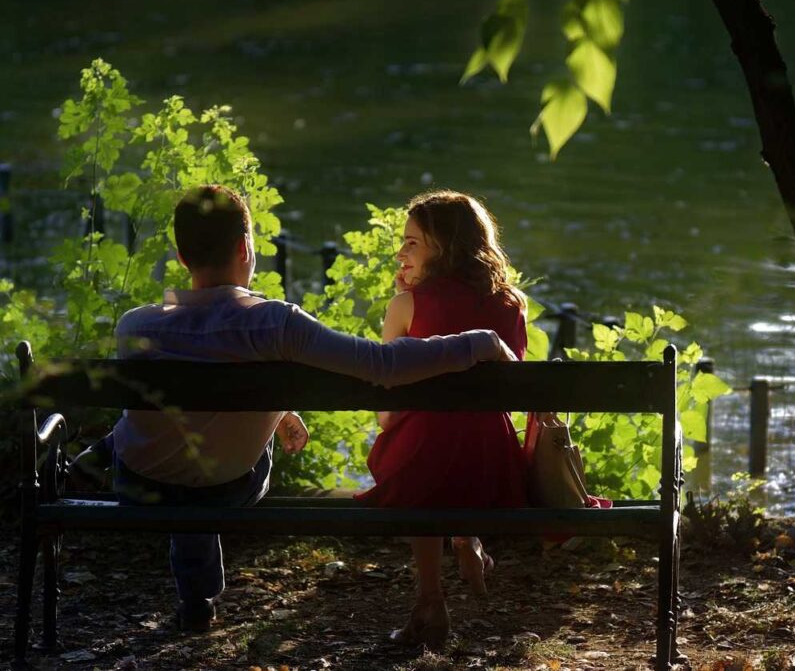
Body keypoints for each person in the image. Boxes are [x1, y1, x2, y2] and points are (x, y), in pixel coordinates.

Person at [78, 185, 516, 633]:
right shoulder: (275, 322)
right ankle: (191, 581)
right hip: (230, 484)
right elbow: (382, 365)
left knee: (176, 446)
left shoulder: (137, 324)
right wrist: (477, 341)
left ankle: (97, 468)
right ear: (245, 247)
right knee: (203, 469)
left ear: (181, 255)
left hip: (138, 483)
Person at [354, 189, 530, 649]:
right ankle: (465, 537)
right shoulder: (511, 304)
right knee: (455, 436)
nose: (400, 252)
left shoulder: (405, 307)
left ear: (445, 246)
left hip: (422, 469)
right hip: (491, 467)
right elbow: (506, 396)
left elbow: (388, 417)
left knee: (417, 447)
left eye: (412, 242)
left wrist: (405, 303)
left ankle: (430, 600)